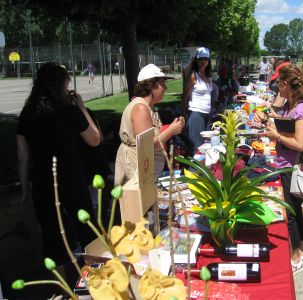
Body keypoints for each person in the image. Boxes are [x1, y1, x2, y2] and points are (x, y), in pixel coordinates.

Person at [16, 62, 101, 266]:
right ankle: (97, 276)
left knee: (52, 234)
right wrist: (81, 107)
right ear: (60, 85)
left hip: (44, 182)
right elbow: (95, 139)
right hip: (71, 179)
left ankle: (63, 289)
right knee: (87, 230)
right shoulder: (69, 111)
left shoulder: (28, 113)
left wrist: (25, 189)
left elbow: (22, 155)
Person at [255, 65, 303, 274]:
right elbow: (288, 127)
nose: (276, 87)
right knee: (296, 210)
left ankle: (295, 255)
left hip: (293, 168)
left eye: (278, 83)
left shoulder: (301, 109)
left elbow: (300, 143)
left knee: (289, 212)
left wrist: (276, 137)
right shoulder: (294, 105)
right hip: (290, 166)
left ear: (285, 84)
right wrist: (269, 120)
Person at [114, 64, 185, 186]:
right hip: (135, 169)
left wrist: (171, 127)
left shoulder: (149, 107)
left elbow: (151, 133)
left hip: (145, 169)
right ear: (151, 85)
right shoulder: (141, 108)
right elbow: (148, 145)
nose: (165, 88)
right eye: (162, 83)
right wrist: (171, 130)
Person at [183, 47, 214, 156]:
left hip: (207, 114)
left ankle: (203, 171)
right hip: (196, 114)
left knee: (207, 146)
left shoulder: (209, 76)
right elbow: (185, 97)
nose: (203, 61)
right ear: (196, 60)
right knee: (197, 148)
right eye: (200, 59)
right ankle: (194, 172)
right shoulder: (193, 75)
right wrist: (184, 114)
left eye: (205, 59)